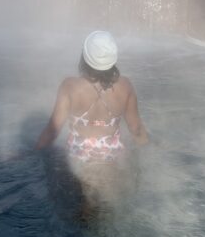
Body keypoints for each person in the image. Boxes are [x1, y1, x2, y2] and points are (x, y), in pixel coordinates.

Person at [35, 30, 149, 162]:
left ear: (85, 57)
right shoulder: (125, 86)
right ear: (113, 58)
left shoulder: (70, 86)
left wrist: (32, 153)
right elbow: (136, 129)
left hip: (77, 158)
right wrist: (149, 150)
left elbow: (52, 131)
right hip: (112, 156)